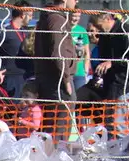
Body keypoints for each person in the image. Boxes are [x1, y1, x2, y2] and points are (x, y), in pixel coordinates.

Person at [33, 0, 80, 134]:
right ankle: (56, 154)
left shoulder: (49, 17)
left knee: (52, 126)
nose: (77, 1)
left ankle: (51, 153)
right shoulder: (56, 19)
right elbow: (57, 52)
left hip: (52, 80)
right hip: (58, 82)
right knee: (60, 128)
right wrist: (66, 80)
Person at [0, 7, 31, 98]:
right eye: (30, 15)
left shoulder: (25, 31)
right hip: (10, 78)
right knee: (12, 110)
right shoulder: (6, 30)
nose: (31, 18)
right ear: (23, 15)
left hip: (25, 77)